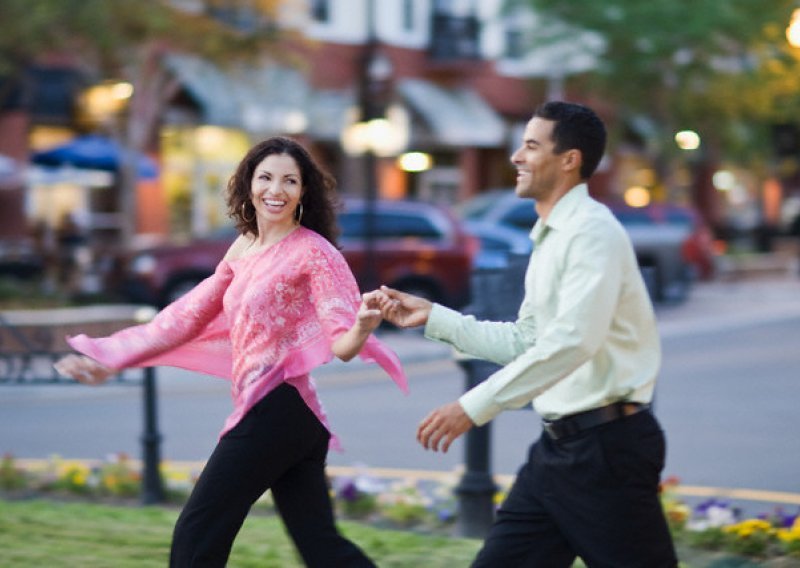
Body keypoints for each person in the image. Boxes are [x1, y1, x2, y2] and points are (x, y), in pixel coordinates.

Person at [54, 136, 408, 567]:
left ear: (303, 192)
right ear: (249, 184)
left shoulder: (315, 253)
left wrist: (363, 325)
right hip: (289, 416)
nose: (275, 190)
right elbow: (185, 316)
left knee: (196, 535)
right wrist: (111, 359)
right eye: (266, 178)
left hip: (277, 411)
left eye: (289, 181)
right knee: (321, 547)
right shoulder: (244, 246)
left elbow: (342, 344)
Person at [377, 101, 678, 567]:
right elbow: (527, 341)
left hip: (607, 453)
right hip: (558, 451)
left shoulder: (590, 233)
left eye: (531, 146)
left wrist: (473, 407)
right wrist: (434, 317)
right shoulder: (552, 233)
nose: (516, 156)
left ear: (569, 160)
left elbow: (573, 342)